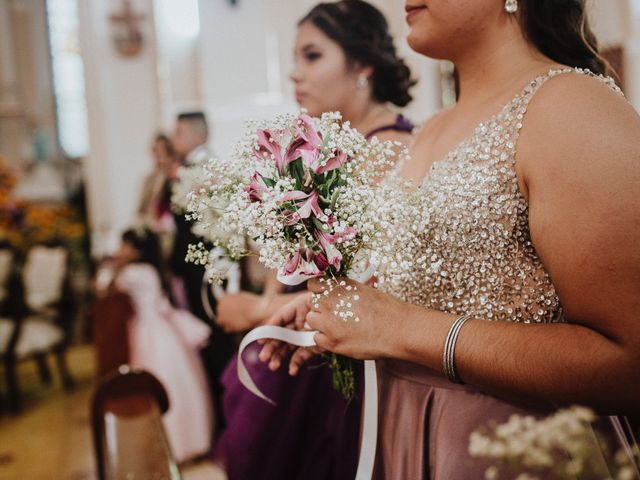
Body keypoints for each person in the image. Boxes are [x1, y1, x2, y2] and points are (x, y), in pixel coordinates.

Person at [263, 0, 640, 478]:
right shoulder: (431, 129)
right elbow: (437, 286)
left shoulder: (573, 109)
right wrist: (356, 309)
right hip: (405, 427)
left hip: (507, 442)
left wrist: (397, 327)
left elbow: (629, 362)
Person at [212, 2, 416, 479]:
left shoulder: (388, 150)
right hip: (304, 349)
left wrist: (259, 312)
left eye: (312, 56)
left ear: (363, 64)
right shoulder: (325, 144)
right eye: (295, 58)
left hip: (340, 369)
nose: (295, 74)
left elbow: (387, 286)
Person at [107, 228, 213, 463]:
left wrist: (115, 266)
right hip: (162, 329)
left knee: (156, 382)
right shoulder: (152, 270)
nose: (120, 250)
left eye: (125, 245)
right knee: (180, 381)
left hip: (148, 331)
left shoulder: (133, 273)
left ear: (136, 250)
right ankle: (189, 440)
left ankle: (171, 444)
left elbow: (104, 286)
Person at [165, 111, 237, 437]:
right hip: (201, 269)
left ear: (196, 135)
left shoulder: (204, 170)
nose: (173, 138)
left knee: (214, 343)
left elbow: (206, 229)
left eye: (178, 132)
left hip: (207, 273)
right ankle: (220, 418)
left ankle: (227, 419)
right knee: (210, 343)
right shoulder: (195, 168)